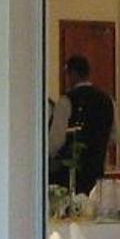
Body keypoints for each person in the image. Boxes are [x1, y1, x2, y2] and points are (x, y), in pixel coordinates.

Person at [47, 55, 115, 194]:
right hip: (96, 174)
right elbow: (115, 136)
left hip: (68, 177)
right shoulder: (108, 100)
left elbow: (55, 142)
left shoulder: (66, 101)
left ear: (72, 74)